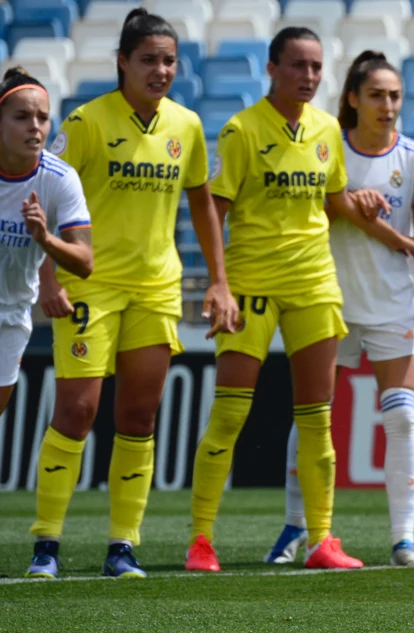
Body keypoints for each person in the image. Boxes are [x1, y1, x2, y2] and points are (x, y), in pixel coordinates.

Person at [27, 9, 239, 580]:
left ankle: (123, 545)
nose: (161, 69)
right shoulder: (88, 122)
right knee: (77, 410)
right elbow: (42, 196)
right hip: (88, 284)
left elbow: (202, 203)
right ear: (122, 61)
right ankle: (45, 543)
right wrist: (48, 278)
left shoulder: (188, 126)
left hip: (156, 287)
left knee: (140, 415)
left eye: (169, 60)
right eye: (149, 59)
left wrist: (218, 281)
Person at [184, 27, 403, 573]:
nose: (308, 77)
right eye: (298, 66)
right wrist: (218, 282)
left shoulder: (329, 129)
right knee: (230, 413)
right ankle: (201, 540)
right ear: (272, 69)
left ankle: (322, 540)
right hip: (252, 284)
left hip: (314, 283)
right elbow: (215, 209)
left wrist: (389, 233)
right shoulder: (241, 131)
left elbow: (332, 203)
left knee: (317, 418)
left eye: (316, 67)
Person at [262, 49, 414, 568]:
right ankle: (296, 528)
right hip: (328, 300)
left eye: (394, 96)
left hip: (393, 307)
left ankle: (403, 539)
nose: (387, 105)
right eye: (376, 95)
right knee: (312, 417)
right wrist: (355, 204)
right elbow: (323, 203)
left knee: (401, 418)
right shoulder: (329, 150)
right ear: (352, 99)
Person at [0, 68, 93, 427]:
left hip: (11, 315)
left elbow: (85, 262)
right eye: (22, 117)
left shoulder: (59, 179)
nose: (35, 127)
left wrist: (45, 239)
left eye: (42, 117)